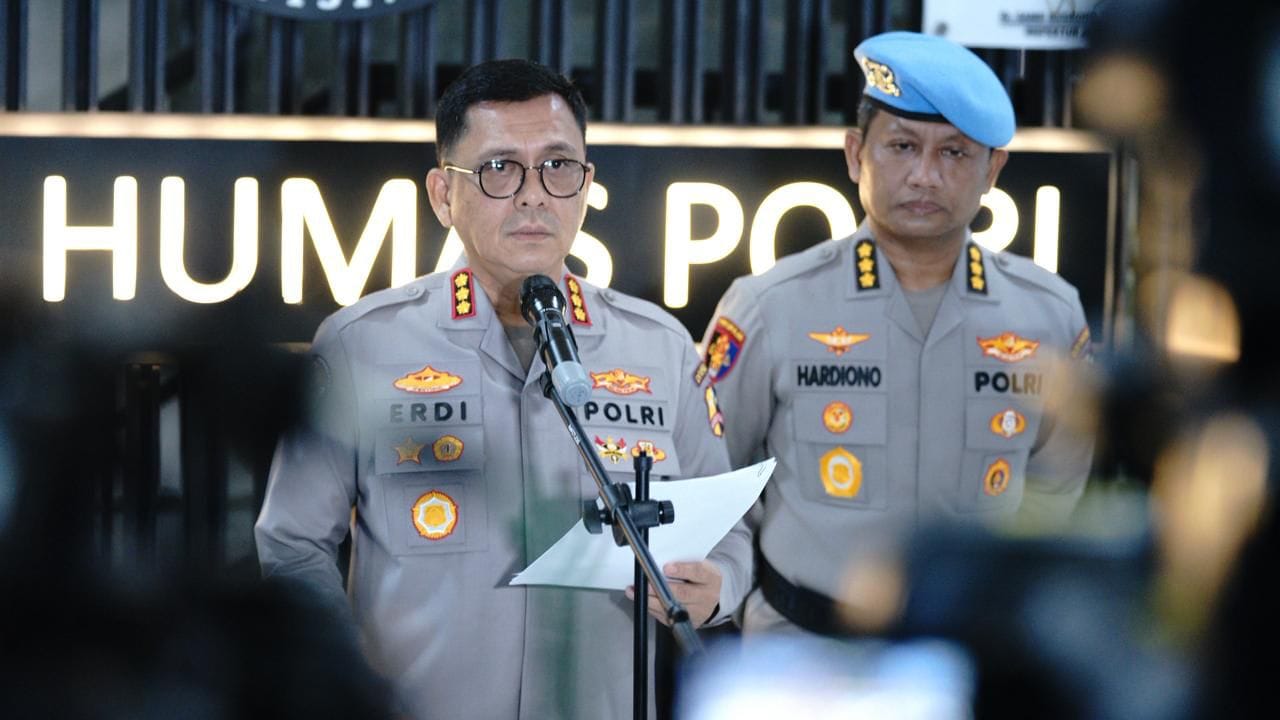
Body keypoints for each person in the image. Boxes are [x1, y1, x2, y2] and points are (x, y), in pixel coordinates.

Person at [255, 59, 751, 718]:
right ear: (443, 194)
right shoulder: (362, 345)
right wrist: (340, 678)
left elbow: (730, 533)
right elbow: (293, 545)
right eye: (498, 168)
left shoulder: (658, 347)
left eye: (557, 166)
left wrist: (717, 587)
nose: (533, 195)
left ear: (586, 184)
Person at [699, 31, 1095, 636]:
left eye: (955, 153)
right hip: (803, 647)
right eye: (903, 146)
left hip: (976, 650)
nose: (925, 176)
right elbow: (710, 481)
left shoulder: (1050, 315)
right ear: (856, 153)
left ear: (993, 169)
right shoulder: (769, 306)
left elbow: (1058, 495)